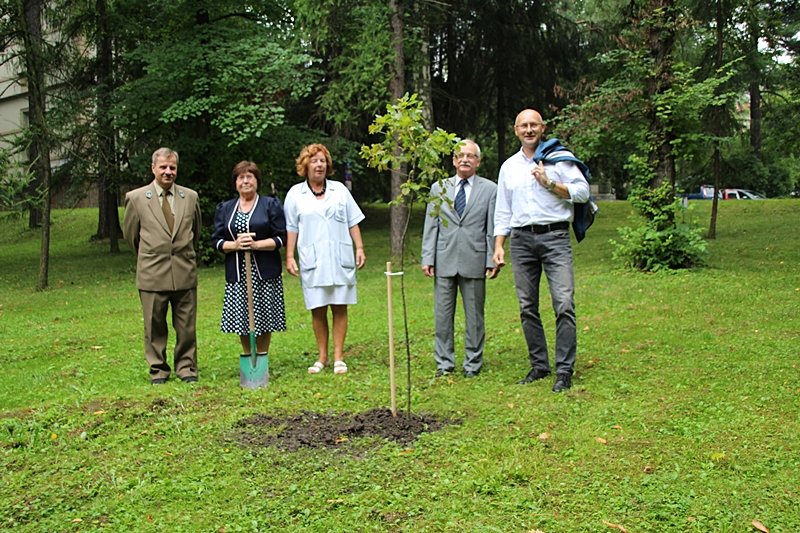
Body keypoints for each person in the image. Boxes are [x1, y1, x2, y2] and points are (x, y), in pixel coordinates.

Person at [492, 109, 590, 392]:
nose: (529, 129)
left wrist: (550, 184)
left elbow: (582, 192)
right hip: (522, 241)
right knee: (527, 307)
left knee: (564, 304)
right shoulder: (509, 167)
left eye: (534, 124)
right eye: (523, 125)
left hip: (555, 237)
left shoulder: (559, 158)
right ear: (515, 130)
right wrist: (499, 245)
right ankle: (539, 365)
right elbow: (503, 210)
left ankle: (564, 370)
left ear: (543, 127)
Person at [283, 144, 366, 375]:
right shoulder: (294, 194)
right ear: (305, 166)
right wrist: (290, 256)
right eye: (314, 161)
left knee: (340, 306)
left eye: (322, 161)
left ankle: (339, 357)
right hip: (313, 259)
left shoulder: (340, 190)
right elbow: (291, 227)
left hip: (339, 257)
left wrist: (359, 247)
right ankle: (322, 357)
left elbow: (353, 221)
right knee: (317, 308)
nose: (319, 165)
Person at [123, 147, 202, 384]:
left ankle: (187, 368)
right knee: (154, 325)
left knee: (186, 326)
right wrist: (152, 255)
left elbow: (195, 232)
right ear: (153, 169)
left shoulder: (190, 197)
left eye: (172, 167)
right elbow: (131, 236)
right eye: (163, 167)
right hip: (152, 273)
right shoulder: (136, 198)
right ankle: (158, 369)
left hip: (184, 272)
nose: (168, 172)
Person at [421, 139, 498, 378]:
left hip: (474, 260)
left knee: (475, 316)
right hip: (444, 259)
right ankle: (444, 363)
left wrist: (491, 259)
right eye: (460, 155)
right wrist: (428, 257)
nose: (465, 159)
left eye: (470, 156)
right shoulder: (439, 188)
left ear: (478, 161)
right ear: (454, 161)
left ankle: (473, 364)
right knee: (443, 315)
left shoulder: (490, 189)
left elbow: (491, 227)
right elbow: (431, 225)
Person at [211, 161, 287, 365]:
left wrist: (256, 244)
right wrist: (235, 245)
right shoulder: (226, 209)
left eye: (250, 177)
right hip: (238, 272)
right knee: (242, 319)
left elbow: (281, 238)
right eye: (241, 177)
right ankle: (248, 355)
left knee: (265, 316)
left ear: (257, 181)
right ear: (235, 183)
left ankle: (262, 356)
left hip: (264, 271)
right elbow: (216, 241)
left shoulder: (270, 205)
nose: (245, 181)